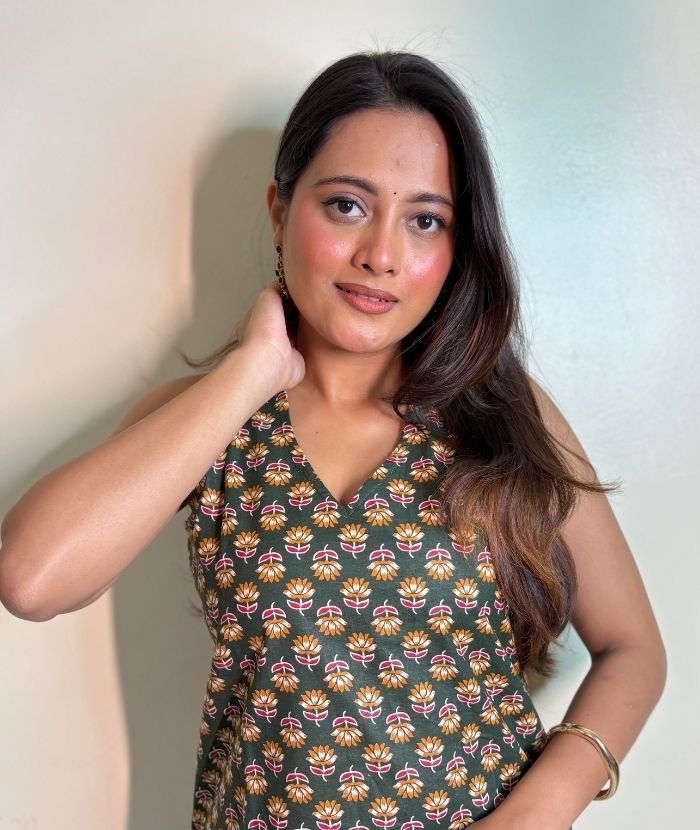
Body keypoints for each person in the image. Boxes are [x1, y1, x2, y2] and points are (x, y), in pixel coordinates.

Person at [0, 51, 665, 830]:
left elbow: (634, 650)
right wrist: (252, 373)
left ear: (458, 247)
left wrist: (536, 815)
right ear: (280, 211)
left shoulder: (504, 414)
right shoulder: (206, 418)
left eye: (425, 221)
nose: (381, 254)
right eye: (347, 205)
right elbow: (31, 579)